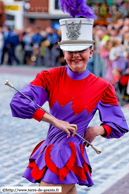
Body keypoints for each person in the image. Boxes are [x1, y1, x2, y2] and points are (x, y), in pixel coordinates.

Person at [10, 1, 128, 194]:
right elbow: (19, 102)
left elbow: (119, 124)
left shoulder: (102, 87)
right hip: (50, 148)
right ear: (62, 51)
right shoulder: (49, 77)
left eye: (81, 50)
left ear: (91, 51)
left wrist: (97, 129)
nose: (75, 55)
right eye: (70, 50)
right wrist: (54, 120)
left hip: (69, 153)